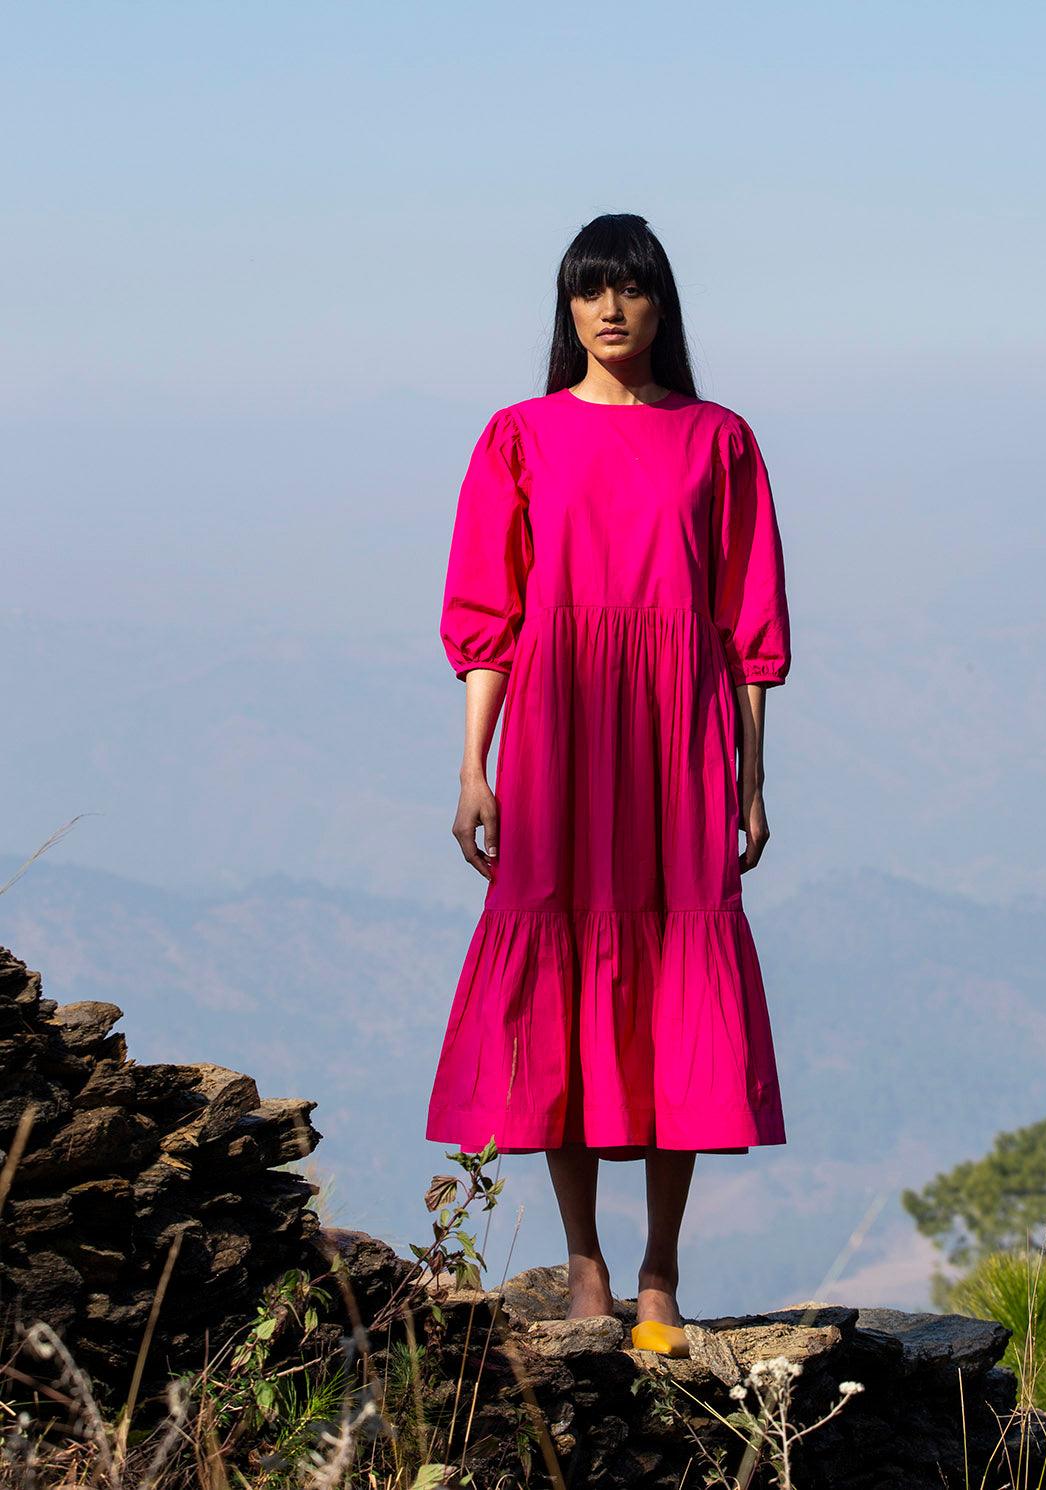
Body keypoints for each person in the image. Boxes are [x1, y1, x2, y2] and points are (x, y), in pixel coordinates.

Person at [426, 212, 792, 1354]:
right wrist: (474, 766)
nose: (611, 309)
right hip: (560, 731)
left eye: (630, 288)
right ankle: (585, 1261)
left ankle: (660, 1271)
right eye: (590, 290)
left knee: (677, 977)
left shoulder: (719, 441)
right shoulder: (518, 437)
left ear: (661, 304)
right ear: (568, 308)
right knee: (563, 978)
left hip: (681, 734)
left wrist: (751, 776)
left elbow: (749, 626)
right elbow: (487, 618)